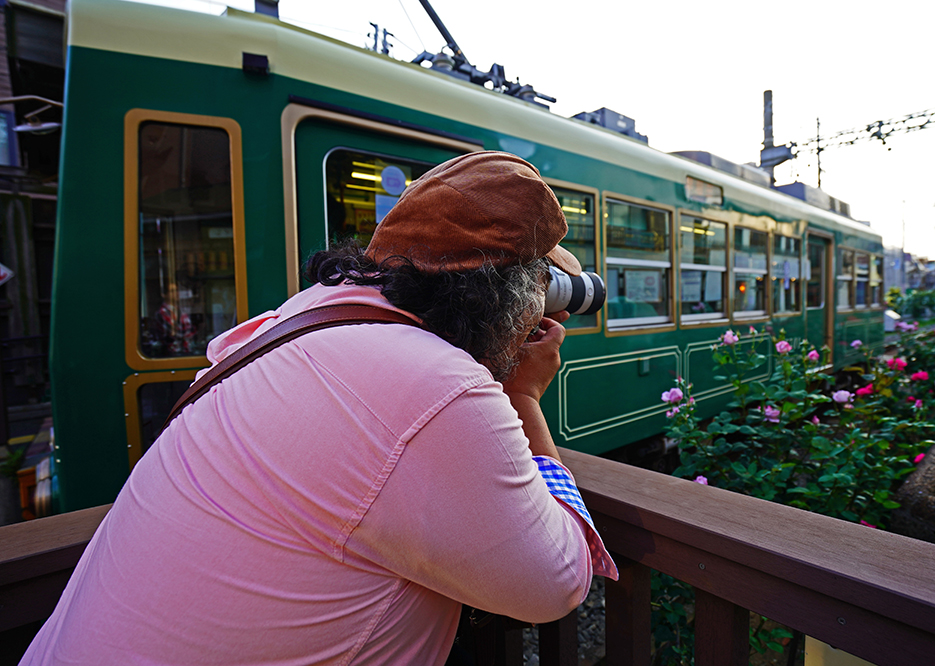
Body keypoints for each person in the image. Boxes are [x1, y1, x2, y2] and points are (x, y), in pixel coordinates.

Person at [20, 152, 616, 666]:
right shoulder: (437, 388)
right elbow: (555, 585)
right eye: (540, 286)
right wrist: (522, 396)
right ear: (508, 298)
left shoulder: (287, 324)